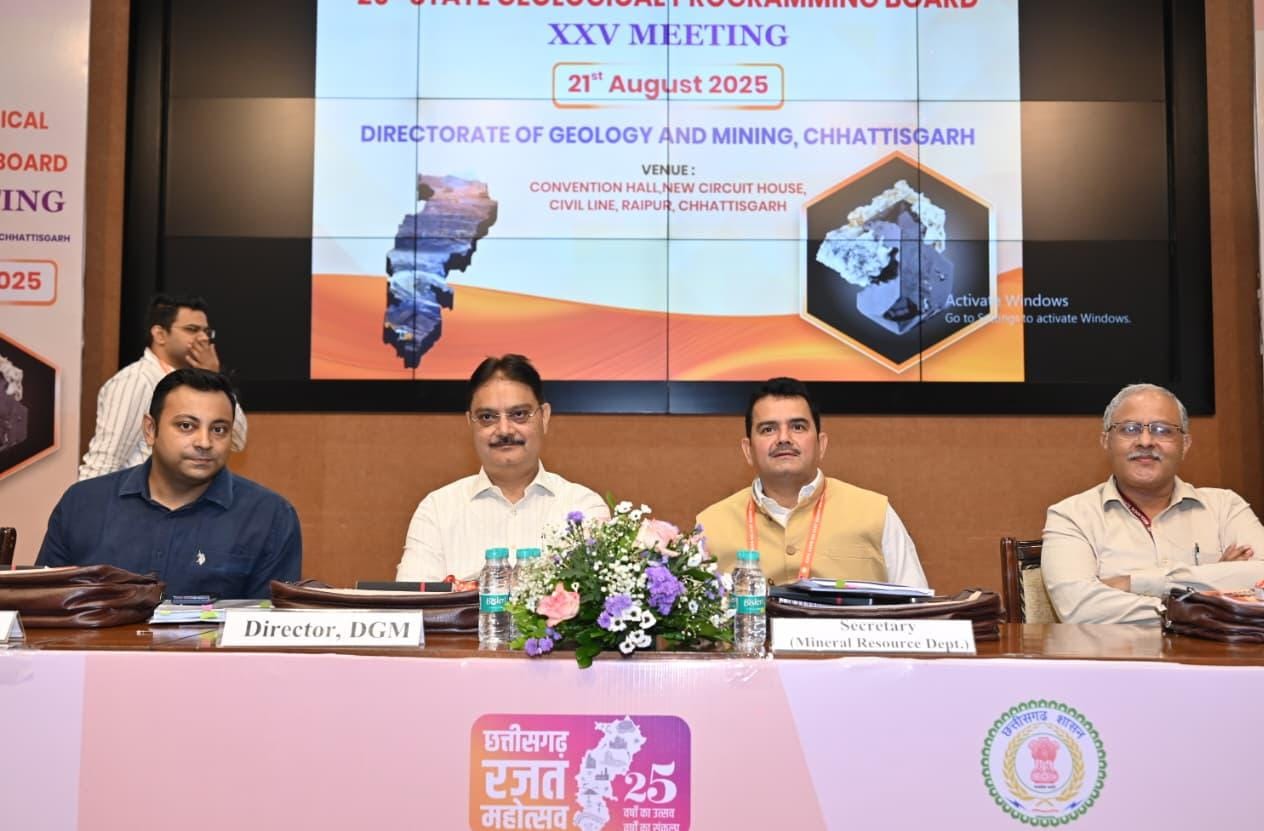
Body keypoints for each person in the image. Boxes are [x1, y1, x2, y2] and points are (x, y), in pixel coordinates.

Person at [39, 369, 300, 599]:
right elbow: (43, 605)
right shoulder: (83, 504)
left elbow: (268, 627)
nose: (205, 442)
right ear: (150, 430)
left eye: (219, 429)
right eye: (186, 426)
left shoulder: (269, 517)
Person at [1042, 383, 1264, 624]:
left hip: (1215, 650)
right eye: (1129, 429)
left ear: (1185, 444)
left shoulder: (1225, 508)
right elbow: (1080, 609)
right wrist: (1212, 593)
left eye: (1162, 430)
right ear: (1106, 441)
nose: (1145, 441)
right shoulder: (1071, 516)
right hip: (1120, 650)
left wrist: (1136, 583)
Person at [696, 377, 928, 587]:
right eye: (768, 429)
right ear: (748, 450)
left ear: (821, 445)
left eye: (798, 427)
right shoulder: (710, 527)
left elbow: (917, 610)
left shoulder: (875, 513)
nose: (783, 438)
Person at [396, 354, 608, 582]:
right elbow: (414, 599)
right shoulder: (437, 510)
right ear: (470, 422)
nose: (505, 430)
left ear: (544, 417)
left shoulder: (584, 508)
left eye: (519, 414)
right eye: (487, 417)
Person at [79, 294, 247, 480]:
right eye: (192, 330)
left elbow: (237, 441)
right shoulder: (136, 381)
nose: (203, 338)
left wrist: (215, 378)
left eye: (206, 332)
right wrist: (85, 498)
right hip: (144, 496)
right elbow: (104, 461)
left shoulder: (197, 384)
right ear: (160, 335)